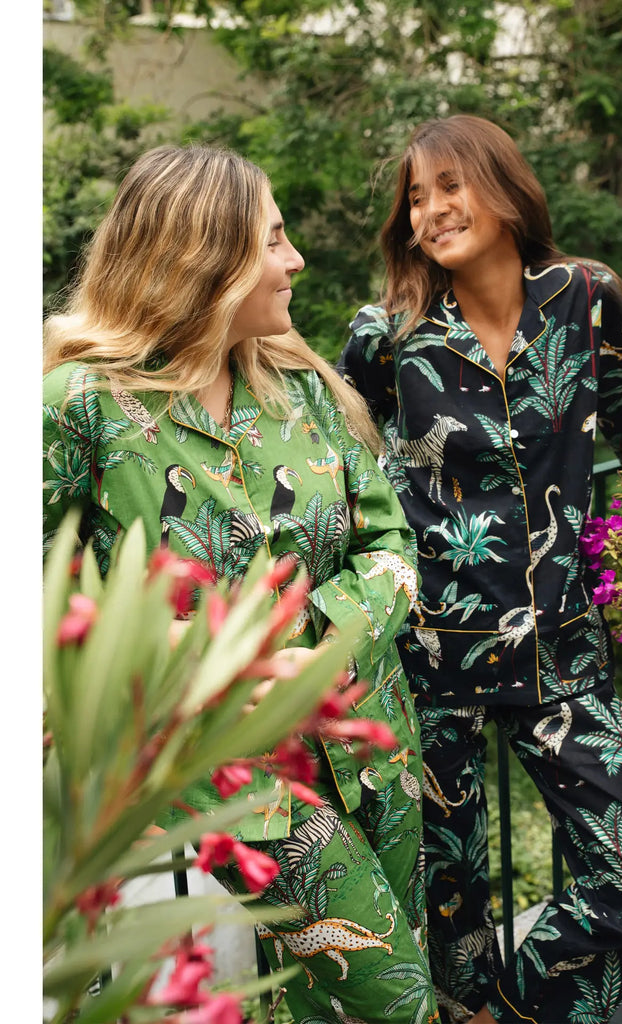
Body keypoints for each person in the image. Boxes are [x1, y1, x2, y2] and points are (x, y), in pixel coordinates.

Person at [42, 145, 439, 1024]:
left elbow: (389, 544)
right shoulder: (81, 405)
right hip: (238, 775)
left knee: (313, 999)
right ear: (204, 257)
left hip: (374, 745)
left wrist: (289, 641)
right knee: (399, 1000)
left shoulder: (296, 381)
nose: (295, 260)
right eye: (274, 239)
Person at [338, 115, 622, 1024]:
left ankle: (509, 1014)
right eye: (415, 197)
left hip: (560, 648)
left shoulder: (588, 297)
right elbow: (343, 461)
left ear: (502, 186)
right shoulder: (387, 335)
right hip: (429, 661)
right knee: (451, 922)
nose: (430, 211)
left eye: (448, 185)